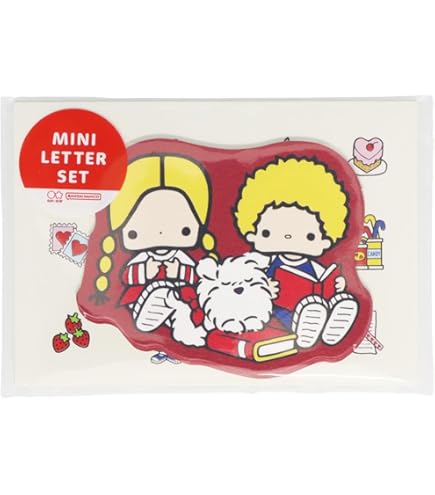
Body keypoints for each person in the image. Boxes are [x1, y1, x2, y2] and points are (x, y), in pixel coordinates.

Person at [234, 157, 358, 348]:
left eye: (309, 236)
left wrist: (337, 285)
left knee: (321, 303)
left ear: (325, 240)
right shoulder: (264, 263)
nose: (289, 239)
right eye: (269, 232)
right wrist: (265, 288)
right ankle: (304, 330)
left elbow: (324, 278)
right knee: (290, 315)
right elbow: (249, 285)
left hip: (317, 302)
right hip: (279, 309)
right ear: (253, 234)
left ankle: (331, 322)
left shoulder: (315, 266)